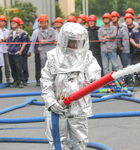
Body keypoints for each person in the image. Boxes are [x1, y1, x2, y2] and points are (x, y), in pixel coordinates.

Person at [40, 22, 101, 150]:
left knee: (79, 143)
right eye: (72, 42)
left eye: (78, 42)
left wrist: (94, 80)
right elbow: (46, 81)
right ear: (64, 40)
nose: (74, 45)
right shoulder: (53, 57)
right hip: (57, 109)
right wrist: (51, 103)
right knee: (57, 144)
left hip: (79, 108)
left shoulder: (87, 56)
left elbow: (94, 71)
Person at [7, 17, 28, 88]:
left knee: (19, 67)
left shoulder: (22, 33)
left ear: (18, 24)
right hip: (10, 52)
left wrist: (20, 51)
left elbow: (24, 42)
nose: (12, 24)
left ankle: (21, 81)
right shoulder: (9, 33)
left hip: (17, 52)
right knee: (12, 67)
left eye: (14, 23)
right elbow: (8, 42)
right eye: (12, 22)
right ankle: (15, 80)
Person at [18, 18, 31, 86]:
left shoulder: (25, 33)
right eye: (19, 25)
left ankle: (25, 79)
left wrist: (29, 51)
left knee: (24, 67)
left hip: (23, 53)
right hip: (15, 53)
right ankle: (18, 80)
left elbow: (28, 43)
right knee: (17, 67)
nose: (20, 26)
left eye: (21, 25)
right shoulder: (13, 33)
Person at [28, 20, 41, 86]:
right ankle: (38, 79)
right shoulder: (35, 32)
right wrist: (29, 51)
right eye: (40, 22)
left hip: (46, 52)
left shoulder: (49, 31)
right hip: (37, 52)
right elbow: (32, 42)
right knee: (38, 66)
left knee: (46, 67)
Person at [0, 15, 10, 83]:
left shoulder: (7, 31)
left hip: (5, 50)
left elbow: (7, 39)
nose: (0, 23)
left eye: (2, 21)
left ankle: (8, 78)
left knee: (7, 65)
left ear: (5, 22)